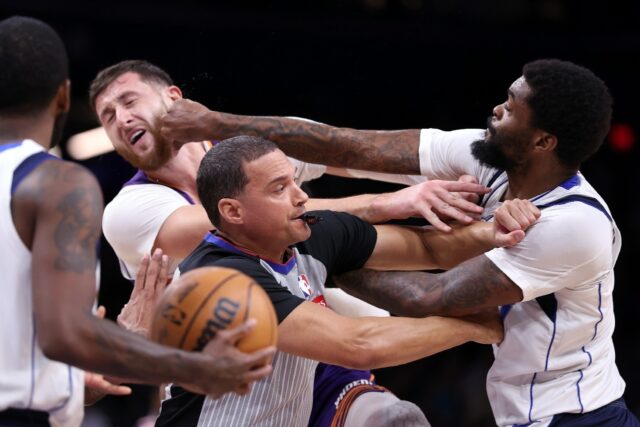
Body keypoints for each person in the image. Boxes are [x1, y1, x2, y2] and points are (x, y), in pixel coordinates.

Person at [158, 59, 639, 426]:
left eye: (512, 107)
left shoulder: (575, 223)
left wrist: (319, 255)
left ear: (543, 142)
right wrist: (214, 123)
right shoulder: (483, 155)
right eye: (280, 188)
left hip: (576, 407)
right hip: (524, 399)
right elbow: (347, 145)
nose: (496, 108)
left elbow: (432, 284)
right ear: (232, 212)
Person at [88, 59, 536, 426]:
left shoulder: (265, 167)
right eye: (108, 117)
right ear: (232, 211)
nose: (121, 118)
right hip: (229, 381)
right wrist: (391, 203)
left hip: (314, 362)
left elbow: (353, 153)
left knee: (396, 421)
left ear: (173, 98)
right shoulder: (132, 212)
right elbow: (357, 339)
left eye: (128, 101)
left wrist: (501, 216)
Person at [0, 16, 275, 427]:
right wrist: (195, 366)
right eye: (110, 112)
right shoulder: (55, 181)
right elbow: (66, 335)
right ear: (63, 96)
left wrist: (88, 375)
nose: (122, 119)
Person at [155, 135, 534, 426]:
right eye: (279, 189)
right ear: (232, 211)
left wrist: (495, 229)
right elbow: (357, 345)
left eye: (294, 182)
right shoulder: (220, 276)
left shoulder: (307, 233)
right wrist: (469, 327)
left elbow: (431, 249)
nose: (301, 197)